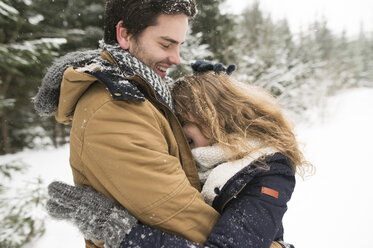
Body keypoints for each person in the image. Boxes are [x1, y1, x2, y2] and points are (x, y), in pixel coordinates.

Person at [46, 61, 311, 248]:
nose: (176, 132)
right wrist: (89, 67)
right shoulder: (201, 160)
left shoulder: (269, 173)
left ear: (213, 113)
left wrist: (118, 230)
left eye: (182, 119)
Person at [34, 1, 222, 247]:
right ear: (124, 34)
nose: (176, 59)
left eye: (179, 46)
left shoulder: (144, 92)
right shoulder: (116, 108)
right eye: (166, 44)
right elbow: (181, 216)